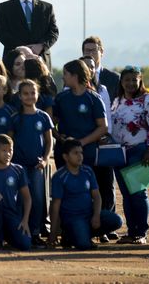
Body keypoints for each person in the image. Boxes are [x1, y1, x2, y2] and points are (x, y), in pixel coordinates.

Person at [53, 60, 109, 220]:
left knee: (87, 191)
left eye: (65, 74)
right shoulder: (61, 98)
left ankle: (89, 226)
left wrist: (82, 143)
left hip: (87, 154)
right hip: (63, 154)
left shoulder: (94, 98)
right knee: (65, 191)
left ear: (75, 76)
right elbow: (51, 122)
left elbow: (103, 127)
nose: (63, 78)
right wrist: (58, 136)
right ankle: (65, 229)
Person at [109, 66, 149, 245]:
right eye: (127, 80)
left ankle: (141, 233)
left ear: (140, 81)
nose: (130, 83)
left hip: (139, 151)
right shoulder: (117, 101)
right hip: (119, 153)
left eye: (134, 79)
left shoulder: (147, 100)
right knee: (126, 194)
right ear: (121, 82)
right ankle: (131, 232)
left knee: (138, 193)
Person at [49, 139, 123, 250]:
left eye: (81, 152)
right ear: (65, 157)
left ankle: (82, 235)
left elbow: (97, 196)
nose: (80, 156)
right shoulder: (59, 176)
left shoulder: (87, 171)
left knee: (116, 221)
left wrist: (96, 215)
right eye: (75, 153)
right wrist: (53, 233)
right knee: (84, 245)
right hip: (73, 218)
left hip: (89, 214)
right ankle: (70, 235)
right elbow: (55, 206)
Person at [11, 80, 53, 248]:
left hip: (37, 166)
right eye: (26, 93)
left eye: (32, 93)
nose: (29, 96)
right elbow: (9, 141)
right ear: (20, 96)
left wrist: (45, 159)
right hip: (18, 166)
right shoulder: (15, 117)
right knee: (20, 199)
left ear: (37, 95)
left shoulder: (43, 116)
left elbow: (49, 141)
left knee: (37, 199)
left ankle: (35, 232)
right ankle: (20, 230)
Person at [0, 0, 58, 68]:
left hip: (40, 59)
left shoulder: (46, 8)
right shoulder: (4, 8)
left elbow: (53, 32)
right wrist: (23, 49)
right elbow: (2, 34)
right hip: (14, 62)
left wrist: (41, 46)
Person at [0, 134, 32, 251]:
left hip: (11, 214)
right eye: (4, 150)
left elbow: (27, 198)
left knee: (25, 244)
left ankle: (7, 236)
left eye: (10, 150)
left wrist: (25, 220)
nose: (8, 154)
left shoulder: (18, 170)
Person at [82, 36, 120, 104]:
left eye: (94, 50)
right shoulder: (74, 76)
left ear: (101, 52)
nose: (90, 53)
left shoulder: (114, 78)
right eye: (87, 50)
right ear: (83, 53)